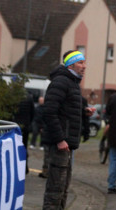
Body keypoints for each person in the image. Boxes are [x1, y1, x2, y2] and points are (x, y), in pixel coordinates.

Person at [42, 50, 86, 209]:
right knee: (55, 190)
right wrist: (60, 139)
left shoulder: (72, 82)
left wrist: (84, 112)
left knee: (63, 189)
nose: (84, 66)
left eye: (84, 62)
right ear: (71, 65)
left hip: (67, 144)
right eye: (80, 63)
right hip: (60, 144)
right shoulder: (61, 81)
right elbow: (49, 111)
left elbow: (65, 110)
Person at [13, 91, 35, 174]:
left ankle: (16, 166)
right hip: (25, 126)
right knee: (24, 146)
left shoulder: (12, 97)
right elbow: (33, 113)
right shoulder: (29, 97)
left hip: (14, 126)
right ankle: (25, 168)